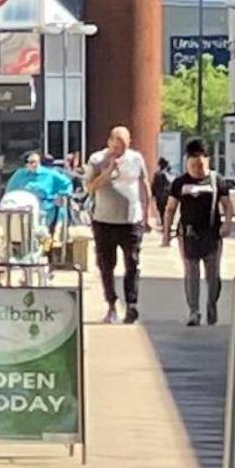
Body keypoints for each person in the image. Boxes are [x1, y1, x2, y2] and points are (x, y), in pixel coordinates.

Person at [85, 125, 153, 322]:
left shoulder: (136, 158)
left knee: (132, 263)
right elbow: (90, 187)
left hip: (131, 220)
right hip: (104, 221)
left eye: (122, 146)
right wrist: (108, 172)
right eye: (116, 145)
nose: (119, 150)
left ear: (129, 143)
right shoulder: (97, 159)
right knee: (106, 265)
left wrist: (146, 213)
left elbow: (144, 184)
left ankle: (131, 304)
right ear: (109, 142)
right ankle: (112, 304)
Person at [171, 140, 230, 325]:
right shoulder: (180, 182)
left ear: (208, 160)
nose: (198, 167)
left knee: (213, 277)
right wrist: (167, 233)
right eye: (194, 163)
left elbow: (228, 206)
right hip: (188, 235)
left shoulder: (216, 180)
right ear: (187, 161)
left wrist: (227, 224)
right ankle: (194, 312)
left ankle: (211, 306)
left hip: (212, 234)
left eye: (201, 163)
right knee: (191, 274)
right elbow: (171, 208)